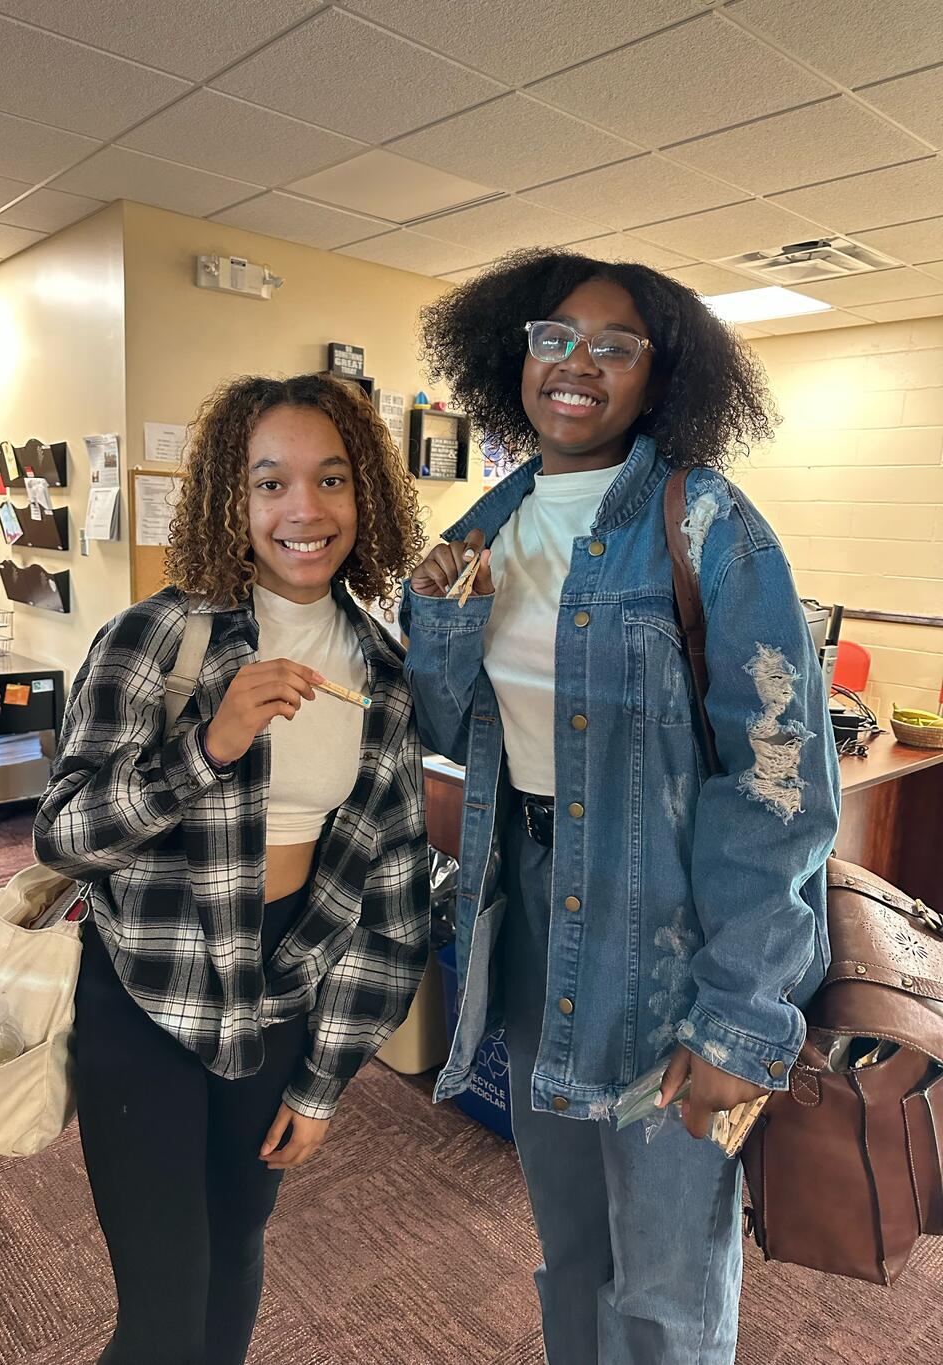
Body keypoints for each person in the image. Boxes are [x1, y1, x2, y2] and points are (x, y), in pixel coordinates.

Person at [402, 249, 840, 1364]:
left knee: (665, 1281)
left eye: (615, 345)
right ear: (516, 356)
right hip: (528, 914)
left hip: (670, 936)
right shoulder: (485, 523)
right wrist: (438, 626)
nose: (578, 363)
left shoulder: (709, 525)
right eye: (555, 337)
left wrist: (741, 1011)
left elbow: (779, 782)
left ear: (660, 376)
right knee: (569, 1248)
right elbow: (446, 731)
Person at [34, 373, 430, 1365]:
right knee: (163, 1310)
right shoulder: (156, 636)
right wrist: (205, 750)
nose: (304, 510)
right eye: (269, 483)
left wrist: (326, 1079)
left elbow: (390, 905)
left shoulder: (383, 672)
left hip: (279, 997)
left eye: (331, 479)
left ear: (365, 496)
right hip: (146, 990)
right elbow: (64, 835)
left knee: (236, 1257)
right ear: (229, 498)